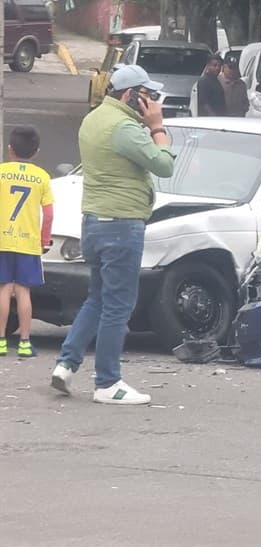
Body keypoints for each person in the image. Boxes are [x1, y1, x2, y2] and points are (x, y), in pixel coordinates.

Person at [51, 64, 175, 405]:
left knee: (99, 298)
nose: (152, 100)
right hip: (122, 225)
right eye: (147, 94)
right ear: (129, 94)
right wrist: (157, 127)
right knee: (119, 306)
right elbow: (164, 164)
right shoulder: (126, 128)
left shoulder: (94, 119)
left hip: (94, 222)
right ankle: (108, 382)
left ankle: (67, 363)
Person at [0, 126, 53, 358]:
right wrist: (44, 239)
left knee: (3, 289)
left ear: (9, 149)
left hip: (2, 239)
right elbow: (49, 213)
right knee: (23, 291)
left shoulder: (1, 172)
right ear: (36, 152)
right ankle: (24, 342)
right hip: (28, 242)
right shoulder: (42, 177)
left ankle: (1, 342)